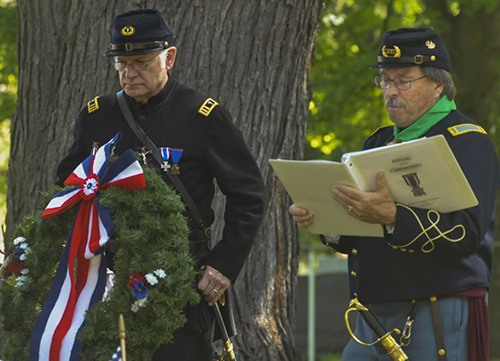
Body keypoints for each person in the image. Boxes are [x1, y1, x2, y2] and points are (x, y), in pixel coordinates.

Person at [56, 9, 266, 361]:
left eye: (140, 61)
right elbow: (67, 184)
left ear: (169, 57)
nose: (129, 72)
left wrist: (224, 264)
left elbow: (249, 195)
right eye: (121, 63)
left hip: (182, 275)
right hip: (108, 275)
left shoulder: (202, 114)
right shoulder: (97, 115)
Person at [290, 28, 499, 361]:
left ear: (438, 84)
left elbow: (467, 233)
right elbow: (364, 234)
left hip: (436, 307)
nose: (389, 92)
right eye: (385, 80)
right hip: (370, 312)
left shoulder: (468, 142)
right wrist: (326, 219)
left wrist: (392, 216)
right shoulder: (377, 142)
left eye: (403, 81)